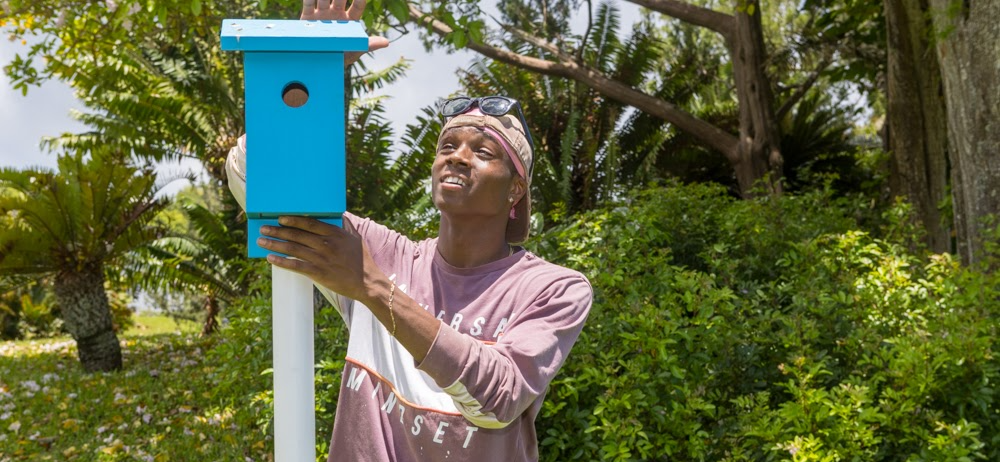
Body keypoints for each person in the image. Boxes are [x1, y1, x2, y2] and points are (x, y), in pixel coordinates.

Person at [225, 1, 592, 460]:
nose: (457, 157)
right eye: (448, 145)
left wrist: (374, 290)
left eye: (483, 151)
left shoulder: (553, 289)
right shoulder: (384, 253)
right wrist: (308, 69)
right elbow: (254, 176)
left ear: (516, 189)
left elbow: (498, 400)